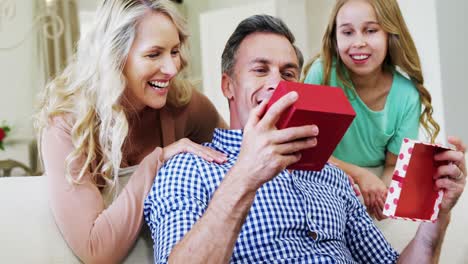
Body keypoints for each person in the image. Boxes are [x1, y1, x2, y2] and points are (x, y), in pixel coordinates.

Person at [144, 14, 467, 263]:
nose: (277, 84)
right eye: (260, 70)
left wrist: (435, 222)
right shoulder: (189, 168)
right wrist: (247, 173)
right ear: (227, 85)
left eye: (288, 74)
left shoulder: (331, 178)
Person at [34, 0, 227, 263]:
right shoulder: (68, 125)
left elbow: (237, 164)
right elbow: (96, 250)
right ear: (115, 56)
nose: (172, 68)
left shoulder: (184, 104)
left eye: (174, 51)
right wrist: (159, 159)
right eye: (154, 54)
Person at [303, 0, 441, 220]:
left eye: (370, 30)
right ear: (335, 38)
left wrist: (382, 197)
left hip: (374, 181)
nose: (358, 42)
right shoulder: (323, 74)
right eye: (347, 32)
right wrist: (359, 175)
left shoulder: (407, 95)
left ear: (389, 34)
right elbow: (303, 149)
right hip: (322, 176)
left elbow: (393, 164)